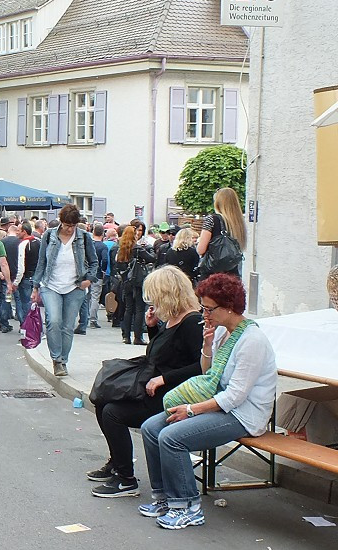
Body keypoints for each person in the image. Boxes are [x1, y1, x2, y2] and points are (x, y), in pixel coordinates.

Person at [138, 272, 277, 529]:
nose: (205, 314)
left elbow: (235, 396)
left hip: (244, 415)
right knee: (151, 428)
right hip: (221, 404)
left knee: (172, 437)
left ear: (228, 308)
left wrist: (191, 410)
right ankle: (164, 497)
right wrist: (208, 347)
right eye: (203, 307)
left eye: (209, 309)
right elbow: (207, 374)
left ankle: (187, 505)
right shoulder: (225, 332)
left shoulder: (252, 341)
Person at [88, 266, 204, 498]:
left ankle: (126, 480)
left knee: (113, 412)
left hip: (172, 394)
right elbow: (162, 354)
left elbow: (200, 367)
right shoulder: (173, 319)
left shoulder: (192, 322)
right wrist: (152, 329)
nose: (153, 301)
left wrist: (164, 378)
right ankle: (118, 463)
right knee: (103, 401)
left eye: (156, 295)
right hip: (156, 388)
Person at [30, 204, 98, 378]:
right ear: (61, 222)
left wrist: (88, 280)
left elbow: (94, 262)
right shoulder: (49, 235)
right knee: (53, 321)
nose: (69, 229)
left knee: (67, 327)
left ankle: (63, 361)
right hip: (50, 285)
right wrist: (36, 286)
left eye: (73, 226)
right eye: (67, 225)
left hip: (75, 287)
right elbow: (41, 262)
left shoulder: (83, 237)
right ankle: (56, 358)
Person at [113, 225, 156, 345]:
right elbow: (152, 258)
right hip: (137, 281)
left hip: (126, 281)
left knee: (128, 308)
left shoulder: (121, 249)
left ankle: (126, 336)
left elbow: (117, 265)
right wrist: (149, 249)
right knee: (139, 309)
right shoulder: (137, 249)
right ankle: (138, 337)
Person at [196, 187, 247, 280]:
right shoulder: (239, 223)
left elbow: (201, 250)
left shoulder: (212, 219)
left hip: (212, 275)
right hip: (233, 276)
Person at [78, 222, 110, 332]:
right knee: (95, 297)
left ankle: (85, 318)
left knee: (87, 297)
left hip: (87, 274)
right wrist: (103, 269)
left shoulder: (88, 244)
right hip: (97, 275)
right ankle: (92, 319)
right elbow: (105, 259)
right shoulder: (103, 246)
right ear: (103, 234)